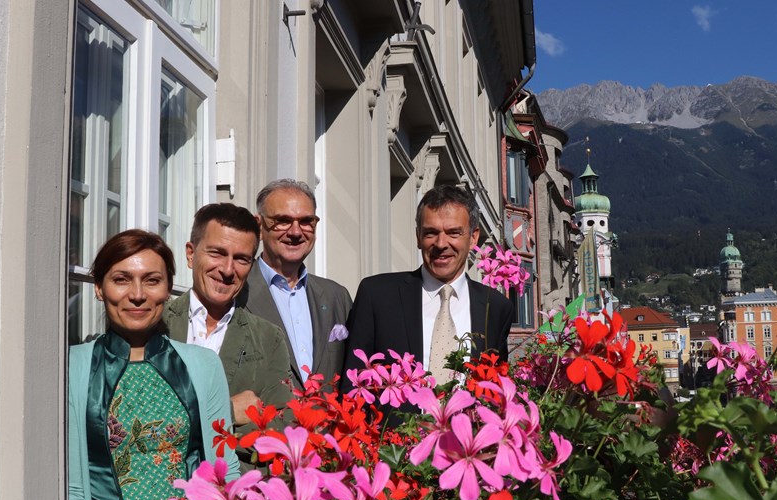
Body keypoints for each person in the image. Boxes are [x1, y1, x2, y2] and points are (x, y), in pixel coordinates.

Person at [67, 230, 239, 500]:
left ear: (168, 288)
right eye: (121, 279)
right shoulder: (72, 367)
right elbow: (73, 488)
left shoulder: (203, 367)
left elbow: (225, 470)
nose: (137, 295)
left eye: (152, 280)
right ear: (100, 288)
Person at [161, 204, 293, 465]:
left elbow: (280, 433)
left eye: (241, 259)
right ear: (190, 254)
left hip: (235, 495)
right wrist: (229, 411)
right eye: (217, 253)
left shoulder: (268, 339)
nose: (228, 269)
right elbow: (136, 421)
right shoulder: (156, 324)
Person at [343, 184, 514, 382]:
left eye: (453, 233)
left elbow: (495, 386)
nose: (441, 244)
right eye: (431, 233)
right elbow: (352, 385)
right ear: (418, 237)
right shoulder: (377, 296)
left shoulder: (495, 308)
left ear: (473, 237)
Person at [238, 179, 352, 389]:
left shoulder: (336, 296)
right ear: (259, 226)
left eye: (306, 221)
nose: (296, 232)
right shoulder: (236, 293)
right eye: (283, 221)